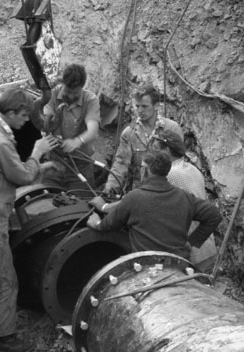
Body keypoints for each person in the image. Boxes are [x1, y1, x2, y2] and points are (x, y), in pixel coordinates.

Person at [0, 88, 55, 352]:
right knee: (5, 279)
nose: (26, 121)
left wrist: (38, 167)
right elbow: (22, 176)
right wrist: (38, 154)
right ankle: (5, 339)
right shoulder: (1, 143)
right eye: (24, 115)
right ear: (12, 112)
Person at [87, 149, 221, 259]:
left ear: (145, 170)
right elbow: (214, 215)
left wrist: (96, 223)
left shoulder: (134, 198)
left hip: (147, 266)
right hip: (178, 263)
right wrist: (192, 242)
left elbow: (108, 225)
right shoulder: (184, 196)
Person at [152, 130, 218, 272]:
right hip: (204, 244)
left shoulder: (170, 175)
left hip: (188, 249)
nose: (154, 156)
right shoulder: (192, 169)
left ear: (167, 151)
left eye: (156, 150)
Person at [31, 63, 100, 198]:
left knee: (81, 207)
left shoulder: (90, 100)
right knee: (47, 203)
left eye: (76, 93)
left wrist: (78, 141)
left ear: (82, 87)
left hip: (80, 166)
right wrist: (46, 132)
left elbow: (93, 130)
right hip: (53, 164)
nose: (71, 96)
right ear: (63, 84)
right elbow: (46, 122)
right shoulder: (53, 94)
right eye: (68, 92)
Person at [101, 86, 184, 199]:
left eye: (144, 106)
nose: (140, 111)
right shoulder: (129, 133)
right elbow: (121, 163)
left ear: (156, 106)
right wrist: (110, 187)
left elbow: (179, 163)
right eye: (137, 106)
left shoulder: (172, 129)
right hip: (139, 192)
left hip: (166, 191)